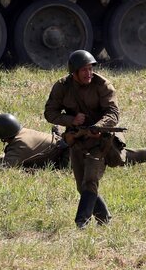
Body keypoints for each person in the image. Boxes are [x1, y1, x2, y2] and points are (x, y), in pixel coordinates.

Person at [44, 49, 121, 228]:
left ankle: (81, 222)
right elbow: (50, 113)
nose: (89, 73)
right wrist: (71, 120)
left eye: (90, 69)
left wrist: (100, 127)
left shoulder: (103, 85)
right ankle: (104, 218)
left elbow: (113, 112)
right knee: (82, 187)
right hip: (77, 140)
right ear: (74, 72)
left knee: (90, 180)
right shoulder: (62, 86)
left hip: (100, 140)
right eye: (84, 70)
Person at [0, 113, 146, 169]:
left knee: (127, 158)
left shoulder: (19, 145)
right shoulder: (24, 132)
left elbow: (6, 167)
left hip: (71, 157)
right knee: (132, 155)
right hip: (73, 147)